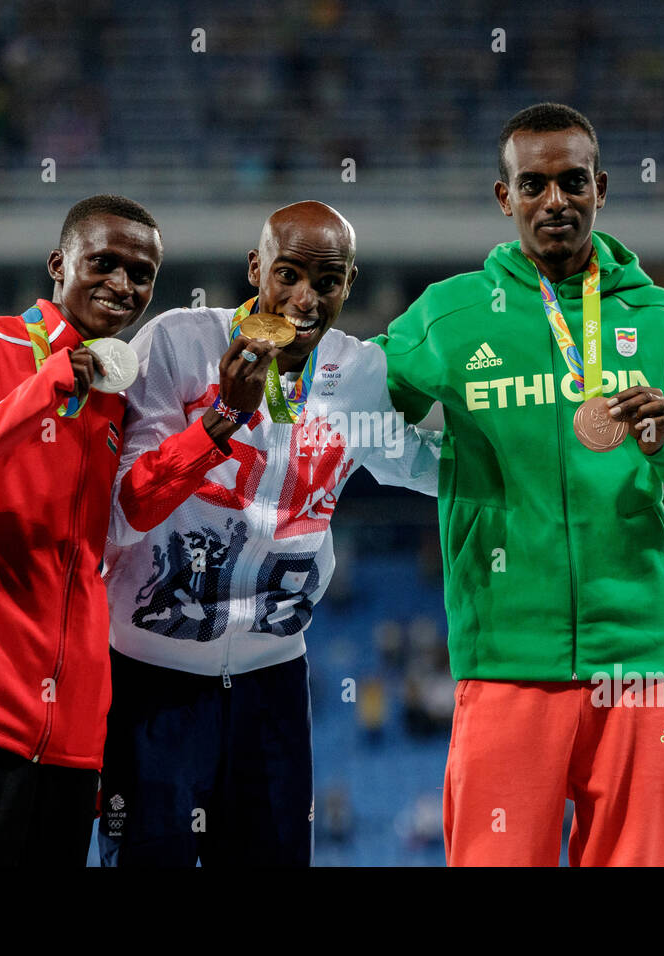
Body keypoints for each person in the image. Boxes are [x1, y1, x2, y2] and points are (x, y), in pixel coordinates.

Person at [373, 103, 664, 866]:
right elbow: (358, 402)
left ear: (601, 188)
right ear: (503, 196)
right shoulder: (451, 315)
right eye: (534, 184)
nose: (556, 202)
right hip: (509, 661)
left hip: (638, 663)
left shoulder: (661, 316)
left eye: (573, 182)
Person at [0, 194, 281, 866]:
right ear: (60, 262)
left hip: (73, 740)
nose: (123, 284)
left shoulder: (116, 395)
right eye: (105, 262)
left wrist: (218, 424)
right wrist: (42, 389)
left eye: (141, 274)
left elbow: (123, 516)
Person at [98, 200, 440, 866]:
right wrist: (220, 419)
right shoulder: (176, 345)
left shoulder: (357, 375)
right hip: (150, 678)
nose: (305, 299)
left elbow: (426, 466)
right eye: (288, 274)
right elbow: (120, 510)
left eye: (329, 281)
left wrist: (532, 450)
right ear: (256, 267)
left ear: (349, 283)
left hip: (274, 683)